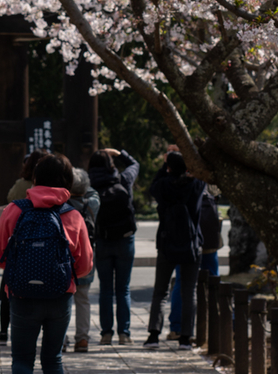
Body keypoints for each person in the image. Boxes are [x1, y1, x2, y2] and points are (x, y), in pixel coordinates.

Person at [0, 152, 92, 374]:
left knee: (22, 358)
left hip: (21, 296)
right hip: (59, 297)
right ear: (67, 181)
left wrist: (19, 266)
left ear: (35, 178)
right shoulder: (72, 215)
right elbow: (84, 267)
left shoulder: (15, 209)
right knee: (53, 359)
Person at [145, 150, 205, 348]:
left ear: (169, 167)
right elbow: (202, 173)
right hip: (191, 244)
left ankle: (154, 334)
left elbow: (153, 185)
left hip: (167, 243)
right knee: (189, 291)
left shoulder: (163, 186)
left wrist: (166, 167)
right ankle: (185, 337)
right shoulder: (195, 186)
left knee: (160, 292)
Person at [88, 146, 140, 345]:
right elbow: (135, 164)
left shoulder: (90, 185)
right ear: (111, 165)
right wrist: (120, 153)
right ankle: (124, 334)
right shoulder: (123, 180)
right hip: (125, 238)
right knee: (123, 289)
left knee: (105, 290)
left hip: (102, 239)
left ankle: (106, 333)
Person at [0, 150, 49, 343]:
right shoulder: (54, 193)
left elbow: (8, 201)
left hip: (18, 245)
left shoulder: (20, 188)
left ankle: (3, 332)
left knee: (8, 290)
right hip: (46, 249)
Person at [169, 185, 222, 336]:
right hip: (209, 242)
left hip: (187, 243)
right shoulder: (208, 182)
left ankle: (177, 327)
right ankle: (216, 324)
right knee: (213, 280)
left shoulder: (180, 184)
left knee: (181, 282)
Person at [70, 166, 100, 351]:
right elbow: (93, 191)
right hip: (86, 255)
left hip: (66, 257)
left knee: (63, 299)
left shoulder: (61, 205)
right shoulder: (92, 203)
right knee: (83, 298)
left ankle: (61, 339)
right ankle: (82, 339)